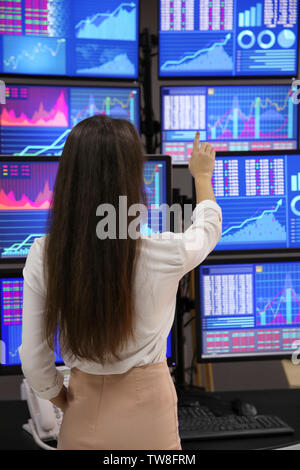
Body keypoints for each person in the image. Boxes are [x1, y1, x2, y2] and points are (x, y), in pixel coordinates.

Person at [19, 115, 222, 450]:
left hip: (84, 414)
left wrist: (68, 403)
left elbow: (34, 362)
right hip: (152, 417)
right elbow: (207, 229)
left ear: (69, 178)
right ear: (131, 180)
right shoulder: (164, 253)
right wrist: (202, 176)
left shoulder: (44, 255)